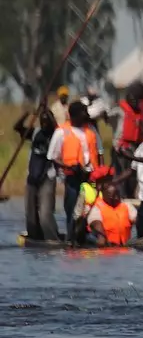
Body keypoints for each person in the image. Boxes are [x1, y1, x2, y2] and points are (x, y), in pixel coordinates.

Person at [48, 99, 101, 237]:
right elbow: (53, 157)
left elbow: (97, 153)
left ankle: (88, 237)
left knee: (92, 208)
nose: (86, 115)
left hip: (91, 177)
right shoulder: (61, 132)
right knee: (73, 209)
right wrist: (69, 166)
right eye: (83, 113)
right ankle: (72, 239)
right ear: (75, 115)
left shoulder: (91, 130)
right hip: (73, 177)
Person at [13, 105, 60, 242]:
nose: (45, 125)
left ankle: (52, 239)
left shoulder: (57, 134)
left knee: (45, 213)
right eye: (43, 122)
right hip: (32, 178)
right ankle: (34, 237)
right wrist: (28, 113)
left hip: (47, 178)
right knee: (31, 214)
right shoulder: (35, 132)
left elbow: (56, 126)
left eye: (47, 122)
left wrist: (47, 114)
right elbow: (17, 127)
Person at [83, 169, 134, 246]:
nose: (117, 198)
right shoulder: (97, 205)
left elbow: (137, 218)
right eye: (113, 196)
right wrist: (101, 236)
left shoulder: (125, 204)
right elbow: (95, 221)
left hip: (125, 245)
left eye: (118, 195)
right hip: (105, 244)